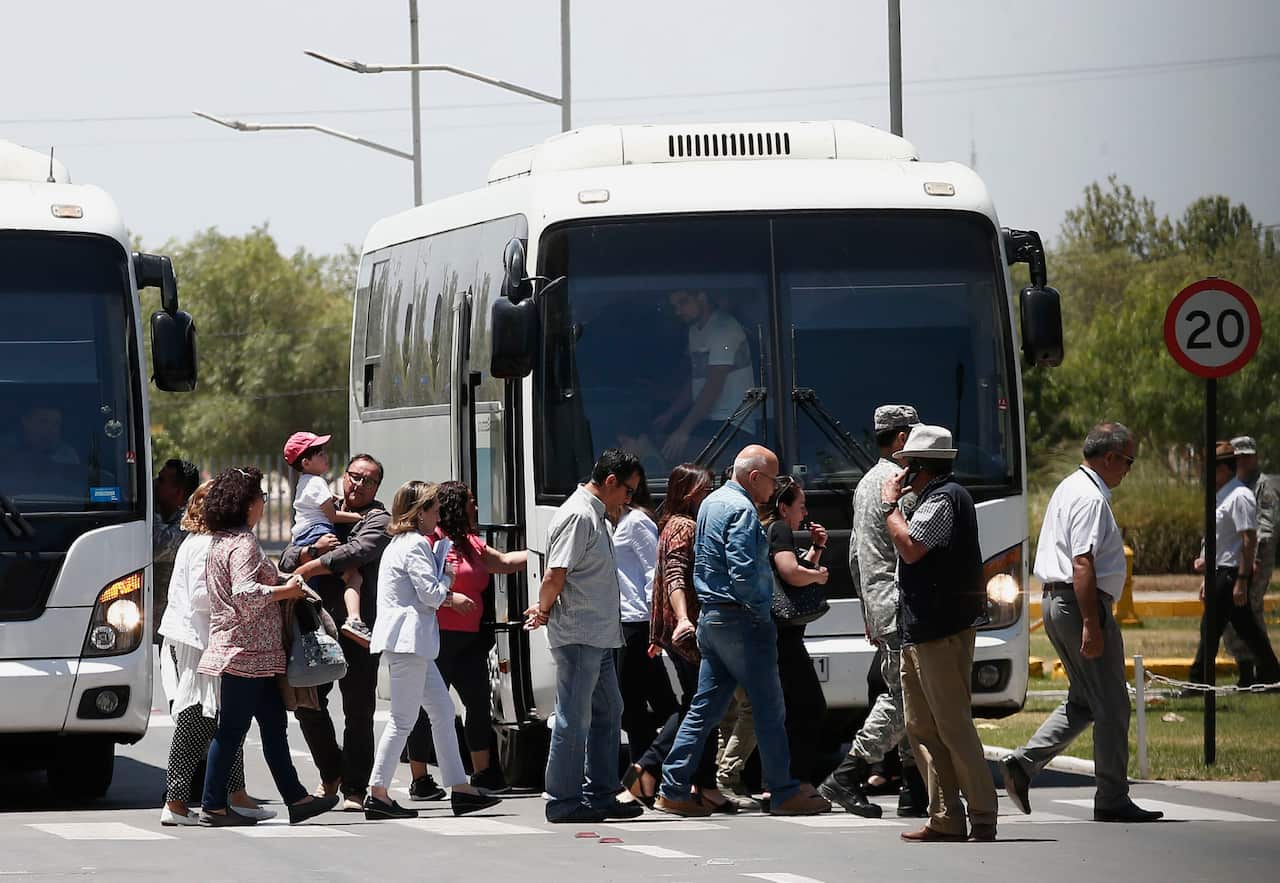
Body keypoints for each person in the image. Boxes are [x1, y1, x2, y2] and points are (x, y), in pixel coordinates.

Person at [999, 422, 1164, 824]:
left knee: (1085, 701)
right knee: (1112, 704)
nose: (1127, 470)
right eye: (1127, 461)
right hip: (1079, 604)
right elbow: (1083, 562)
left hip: (1060, 602)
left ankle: (1024, 764)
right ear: (1109, 458)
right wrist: (1093, 622)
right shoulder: (1091, 498)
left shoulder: (1070, 486)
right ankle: (1112, 797)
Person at [655, 444, 830, 818]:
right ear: (754, 477)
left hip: (713, 620)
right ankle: (783, 791)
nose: (774, 489)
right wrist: (762, 608)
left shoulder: (711, 504)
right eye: (773, 480)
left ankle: (672, 787)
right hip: (742, 620)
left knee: (706, 707)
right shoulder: (741, 509)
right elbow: (742, 569)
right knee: (769, 707)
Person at [196, 466, 338, 827]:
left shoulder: (221, 540)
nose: (263, 503)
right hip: (246, 653)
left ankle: (297, 799)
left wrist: (282, 580)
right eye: (261, 497)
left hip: (253, 654)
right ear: (246, 504)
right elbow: (245, 593)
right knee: (231, 731)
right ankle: (212, 805)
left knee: (274, 726)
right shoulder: (242, 542)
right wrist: (285, 591)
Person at [880, 424, 997, 842]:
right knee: (921, 726)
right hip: (921, 629)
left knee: (951, 724)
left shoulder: (945, 499)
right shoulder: (934, 497)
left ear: (920, 468)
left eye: (906, 464)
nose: (901, 471)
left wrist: (890, 507)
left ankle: (982, 811)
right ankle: (945, 816)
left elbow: (911, 548)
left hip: (940, 630)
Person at [363, 480, 502, 820]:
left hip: (413, 644)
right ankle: (377, 792)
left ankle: (460, 787)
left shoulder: (405, 543)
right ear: (419, 512)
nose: (438, 515)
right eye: (434, 509)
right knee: (403, 720)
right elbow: (429, 593)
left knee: (440, 711)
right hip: (409, 643)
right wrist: (451, 587)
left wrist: (444, 578)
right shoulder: (413, 545)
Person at [523, 448, 645, 823]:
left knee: (609, 711)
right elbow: (555, 573)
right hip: (580, 634)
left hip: (599, 634)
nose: (629, 499)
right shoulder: (579, 515)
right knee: (573, 719)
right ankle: (563, 800)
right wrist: (542, 609)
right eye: (628, 490)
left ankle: (601, 793)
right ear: (610, 482)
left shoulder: (595, 514)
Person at [821, 404, 926, 819]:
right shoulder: (900, 485)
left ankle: (914, 791)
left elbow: (853, 556)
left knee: (909, 695)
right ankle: (848, 773)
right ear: (901, 440)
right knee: (904, 697)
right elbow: (914, 546)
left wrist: (868, 609)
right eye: (914, 437)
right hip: (902, 606)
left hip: (881, 607)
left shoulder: (865, 483)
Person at [157, 480, 272, 826]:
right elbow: (198, 597)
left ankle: (236, 795)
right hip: (197, 640)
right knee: (198, 718)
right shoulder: (204, 544)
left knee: (227, 719)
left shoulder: (211, 542)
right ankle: (176, 801)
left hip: (210, 638)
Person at [403, 480, 529, 796]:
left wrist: (543, 550)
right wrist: (450, 599)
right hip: (438, 638)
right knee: (426, 708)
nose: (477, 506)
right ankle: (420, 778)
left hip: (471, 641)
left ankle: (483, 773)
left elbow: (504, 563)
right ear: (456, 506)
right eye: (472, 501)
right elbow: (423, 586)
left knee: (477, 705)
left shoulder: (472, 543)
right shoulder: (431, 541)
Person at [282, 454, 391, 811]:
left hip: (357, 628)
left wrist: (311, 565)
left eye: (367, 480)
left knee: (358, 710)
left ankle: (355, 790)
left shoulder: (377, 518)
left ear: (377, 487)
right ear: (344, 476)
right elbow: (286, 558)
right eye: (353, 476)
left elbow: (359, 552)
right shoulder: (318, 506)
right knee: (308, 704)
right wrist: (312, 550)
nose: (357, 485)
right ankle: (332, 773)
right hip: (314, 625)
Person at [626, 464, 737, 813]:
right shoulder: (683, 527)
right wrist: (684, 618)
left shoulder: (672, 523)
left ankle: (703, 784)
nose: (710, 495)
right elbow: (673, 574)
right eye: (704, 490)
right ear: (688, 492)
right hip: (687, 631)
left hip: (680, 629)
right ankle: (645, 768)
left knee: (702, 705)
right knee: (698, 707)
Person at [1187, 441, 1280, 686]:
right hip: (1219, 571)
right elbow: (1219, 538)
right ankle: (1271, 673)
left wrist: (1242, 579)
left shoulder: (1239, 496)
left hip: (1230, 573)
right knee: (1246, 628)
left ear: (1225, 469)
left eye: (1213, 468)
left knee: (1210, 628)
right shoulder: (1223, 495)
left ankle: (1198, 680)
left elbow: (1249, 538)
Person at [762, 475, 830, 786]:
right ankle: (797, 781)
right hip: (784, 637)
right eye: (800, 507)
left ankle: (781, 780)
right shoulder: (779, 529)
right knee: (810, 707)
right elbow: (791, 573)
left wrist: (816, 549)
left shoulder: (776, 531)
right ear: (783, 507)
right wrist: (818, 577)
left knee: (790, 709)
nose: (805, 514)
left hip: (781, 636)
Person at [612, 465, 679, 767]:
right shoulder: (618, 522)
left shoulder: (637, 522)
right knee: (636, 708)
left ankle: (650, 770)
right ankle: (648, 776)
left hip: (638, 623)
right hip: (626, 623)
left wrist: (657, 627)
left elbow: (656, 574)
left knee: (646, 707)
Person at [284, 431, 369, 646]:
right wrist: (360, 516)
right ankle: (354, 620)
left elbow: (321, 504)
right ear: (306, 462)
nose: (326, 456)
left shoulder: (304, 482)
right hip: (320, 533)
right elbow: (332, 515)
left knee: (311, 589)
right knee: (353, 576)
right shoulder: (317, 483)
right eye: (320, 453)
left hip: (304, 537)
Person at [655, 290, 755, 463]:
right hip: (709, 420)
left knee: (679, 454)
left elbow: (713, 385)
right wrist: (670, 414)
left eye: (683, 302)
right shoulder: (694, 330)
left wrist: (683, 431)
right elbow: (696, 381)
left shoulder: (723, 329)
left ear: (701, 297)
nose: (678, 311)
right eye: (674, 306)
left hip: (733, 424)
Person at [1224, 436, 1279, 687]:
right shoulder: (1230, 485)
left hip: (1256, 558)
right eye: (1239, 456)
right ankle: (1248, 670)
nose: (1243, 460)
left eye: (1248, 455)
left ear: (1256, 457)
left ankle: (1265, 670)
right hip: (1234, 558)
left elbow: (1265, 526)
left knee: (1247, 611)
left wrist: (1253, 562)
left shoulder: (1262, 486)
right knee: (1235, 614)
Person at [152, 458, 200, 641]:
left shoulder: (189, 523)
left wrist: (148, 506)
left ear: (178, 492)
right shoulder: (168, 517)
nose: (155, 484)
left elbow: (156, 546)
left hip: (174, 630)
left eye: (162, 480)